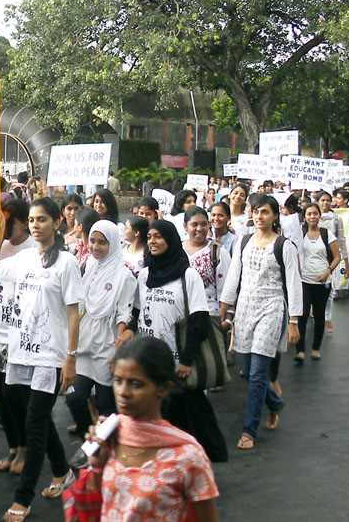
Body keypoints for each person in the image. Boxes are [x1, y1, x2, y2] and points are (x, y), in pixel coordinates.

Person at [0, 198, 82, 522]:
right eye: (32, 220)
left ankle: (23, 499)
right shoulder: (22, 259)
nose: (36, 225)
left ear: (56, 223)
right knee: (34, 416)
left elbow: (73, 313)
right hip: (20, 350)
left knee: (35, 422)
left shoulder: (66, 263)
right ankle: (63, 471)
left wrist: (71, 358)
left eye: (42, 219)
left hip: (51, 355)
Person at [82, 337, 219, 522]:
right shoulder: (108, 436)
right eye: (118, 381)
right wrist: (97, 466)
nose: (122, 391)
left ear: (163, 389)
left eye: (135, 384)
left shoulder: (188, 456)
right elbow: (103, 501)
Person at [124, 220, 227, 462]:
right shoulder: (145, 274)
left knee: (186, 416)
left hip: (176, 363)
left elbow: (199, 320)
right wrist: (129, 330)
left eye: (158, 237)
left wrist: (187, 361)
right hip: (149, 362)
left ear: (170, 239)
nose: (152, 242)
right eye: (149, 237)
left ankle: (194, 461)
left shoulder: (188, 275)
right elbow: (137, 311)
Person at [219, 193, 302, 451]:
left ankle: (249, 429)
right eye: (255, 211)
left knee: (257, 374)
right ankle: (275, 403)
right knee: (246, 372)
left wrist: (294, 321)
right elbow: (234, 278)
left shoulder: (284, 246)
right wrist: (224, 309)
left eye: (265, 212)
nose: (259, 216)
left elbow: (293, 284)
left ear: (275, 216)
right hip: (244, 308)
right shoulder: (243, 242)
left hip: (271, 309)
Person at [0, 198, 35, 474]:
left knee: (17, 396)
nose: (5, 225)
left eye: (9, 221)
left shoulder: (34, 249)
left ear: (24, 222)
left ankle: (26, 449)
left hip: (19, 336)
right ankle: (13, 448)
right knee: (1, 396)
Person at [65, 220, 137, 437]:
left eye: (102, 243)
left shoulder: (124, 276)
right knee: (74, 397)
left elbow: (124, 312)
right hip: (85, 340)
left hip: (107, 344)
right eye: (93, 241)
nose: (95, 247)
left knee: (106, 405)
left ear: (113, 244)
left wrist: (118, 348)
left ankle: (106, 449)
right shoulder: (89, 266)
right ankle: (87, 431)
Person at [295, 203, 341, 362]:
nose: (312, 217)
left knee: (319, 315)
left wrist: (328, 271)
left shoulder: (327, 234)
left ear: (319, 216)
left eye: (315, 214)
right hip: (304, 280)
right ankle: (300, 350)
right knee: (303, 315)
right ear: (304, 216)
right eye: (309, 214)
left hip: (322, 281)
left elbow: (337, 256)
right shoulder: (299, 234)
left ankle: (315, 348)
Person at [182, 206, 231, 317]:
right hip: (180, 316)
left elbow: (226, 289)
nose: (199, 229)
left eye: (203, 224)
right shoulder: (177, 251)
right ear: (185, 226)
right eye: (194, 225)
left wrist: (226, 318)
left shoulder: (217, 251)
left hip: (209, 317)